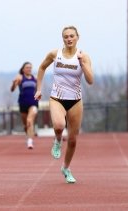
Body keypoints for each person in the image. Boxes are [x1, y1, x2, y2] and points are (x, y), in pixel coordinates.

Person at [34, 26, 94, 183]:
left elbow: (90, 80)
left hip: (75, 100)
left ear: (77, 37)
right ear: (63, 39)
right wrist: (39, 89)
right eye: (66, 36)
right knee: (59, 125)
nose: (69, 39)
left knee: (73, 140)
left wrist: (82, 63)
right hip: (56, 98)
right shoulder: (55, 54)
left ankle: (66, 168)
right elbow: (41, 68)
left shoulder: (84, 56)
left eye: (72, 36)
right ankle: (58, 140)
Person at [10, 62, 39, 149]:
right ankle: (28, 135)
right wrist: (14, 83)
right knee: (26, 125)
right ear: (23, 69)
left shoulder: (35, 78)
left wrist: (38, 94)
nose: (29, 69)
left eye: (30, 67)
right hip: (23, 103)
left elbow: (38, 90)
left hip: (33, 103)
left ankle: (30, 141)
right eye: (27, 67)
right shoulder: (20, 77)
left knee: (30, 120)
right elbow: (12, 89)